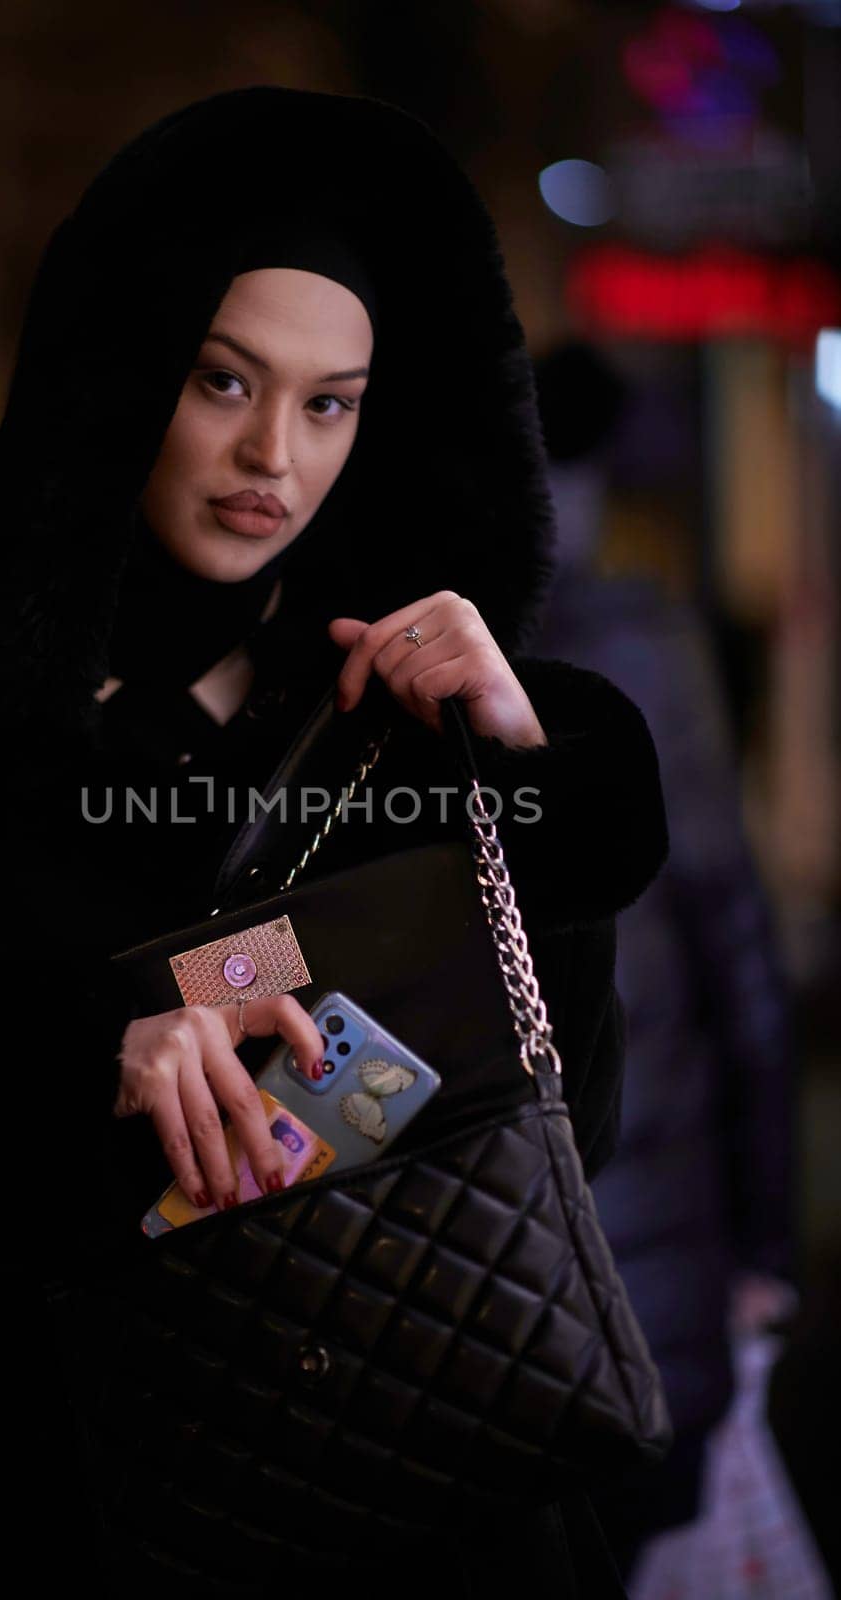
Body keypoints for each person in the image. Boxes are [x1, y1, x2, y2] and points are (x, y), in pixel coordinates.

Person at [0, 87, 669, 1597]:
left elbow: (568, 1123)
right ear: (128, 374)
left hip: (443, 1480)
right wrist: (80, 1054)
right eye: (221, 381)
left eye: (330, 402)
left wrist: (510, 783)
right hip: (102, 1488)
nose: (273, 453)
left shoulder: (415, 706)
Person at [532, 341, 798, 1580]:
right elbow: (738, 957)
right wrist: (762, 1246)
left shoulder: (377, 666)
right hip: (660, 1301)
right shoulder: (641, 646)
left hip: (486, 1324)